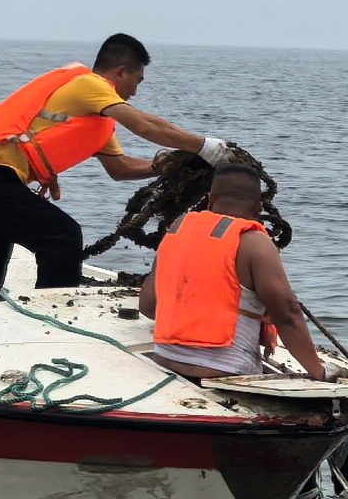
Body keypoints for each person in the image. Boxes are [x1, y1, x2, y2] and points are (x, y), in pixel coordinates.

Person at [0, 33, 252, 292]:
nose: (136, 90)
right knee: (62, 236)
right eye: (137, 80)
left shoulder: (96, 119)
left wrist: (174, 166)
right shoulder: (90, 85)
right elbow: (145, 125)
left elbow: (120, 169)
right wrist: (204, 147)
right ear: (120, 72)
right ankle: (54, 315)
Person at [138, 162, 325, 382]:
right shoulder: (256, 243)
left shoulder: (176, 231)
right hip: (227, 371)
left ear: (210, 200)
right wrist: (319, 372)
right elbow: (288, 316)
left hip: (166, 360)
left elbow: (148, 308)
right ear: (259, 209)